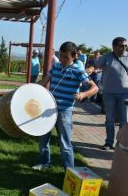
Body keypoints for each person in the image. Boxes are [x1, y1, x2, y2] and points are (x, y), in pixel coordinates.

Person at [33, 42, 98, 170]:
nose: (62, 59)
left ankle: (70, 172)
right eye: (61, 56)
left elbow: (94, 88)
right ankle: (45, 163)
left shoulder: (78, 71)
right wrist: (31, 89)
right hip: (48, 110)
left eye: (66, 57)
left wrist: (83, 94)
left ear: (73, 56)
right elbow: (44, 81)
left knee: (65, 144)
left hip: (64, 112)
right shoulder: (56, 66)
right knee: (43, 139)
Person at [95, 37, 128, 150]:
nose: (123, 48)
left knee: (124, 121)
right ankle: (109, 142)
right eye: (121, 46)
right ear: (113, 47)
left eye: (125, 46)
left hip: (125, 94)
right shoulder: (107, 57)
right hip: (109, 94)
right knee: (110, 119)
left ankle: (121, 143)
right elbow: (97, 65)